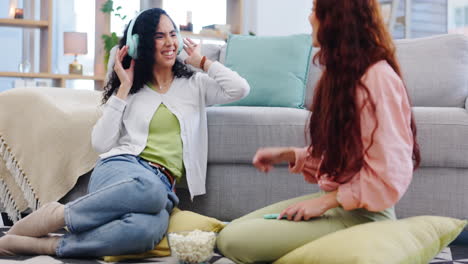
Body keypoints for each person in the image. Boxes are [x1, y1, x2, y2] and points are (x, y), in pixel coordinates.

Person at [0, 8, 249, 257]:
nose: (170, 42)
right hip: (122, 168)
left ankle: (50, 244)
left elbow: (239, 89)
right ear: (140, 44)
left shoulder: (195, 85)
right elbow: (100, 142)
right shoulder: (131, 90)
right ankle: (55, 216)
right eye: (159, 36)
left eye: (173, 34)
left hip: (162, 185)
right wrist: (123, 88)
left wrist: (203, 62)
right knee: (150, 191)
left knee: (146, 234)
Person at [216, 0, 420, 263]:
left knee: (234, 242)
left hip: (366, 217)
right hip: (343, 207)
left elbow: (390, 170)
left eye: (315, 11)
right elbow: (345, 154)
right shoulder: (342, 76)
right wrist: (291, 155)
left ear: (336, 18)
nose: (310, 18)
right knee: (232, 230)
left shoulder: (377, 78)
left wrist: (325, 203)